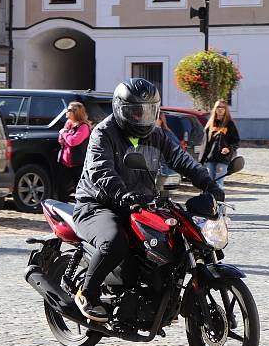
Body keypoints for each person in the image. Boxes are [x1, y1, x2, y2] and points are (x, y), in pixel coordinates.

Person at [72, 78, 225, 322]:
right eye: (135, 111)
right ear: (120, 109)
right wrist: (122, 194)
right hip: (99, 204)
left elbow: (182, 160)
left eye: (147, 111)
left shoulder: (158, 135)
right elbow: (100, 170)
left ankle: (159, 298)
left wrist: (208, 183)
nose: (141, 117)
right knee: (114, 242)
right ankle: (87, 293)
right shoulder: (103, 133)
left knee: (170, 243)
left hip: (141, 204)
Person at [200, 99, 240, 188]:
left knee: (218, 182)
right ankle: (210, 200)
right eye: (218, 107)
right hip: (210, 159)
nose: (220, 109)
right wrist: (201, 161)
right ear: (215, 109)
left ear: (226, 110)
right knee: (209, 182)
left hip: (223, 159)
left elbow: (236, 141)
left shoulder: (230, 124)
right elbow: (205, 144)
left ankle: (218, 200)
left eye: (223, 107)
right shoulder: (210, 124)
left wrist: (229, 148)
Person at [56, 101, 91, 201]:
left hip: (78, 164)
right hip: (65, 163)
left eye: (69, 110)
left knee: (79, 191)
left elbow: (73, 141)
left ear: (76, 112)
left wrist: (64, 133)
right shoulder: (68, 123)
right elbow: (61, 140)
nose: (66, 111)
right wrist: (64, 134)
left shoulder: (83, 127)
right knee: (60, 189)